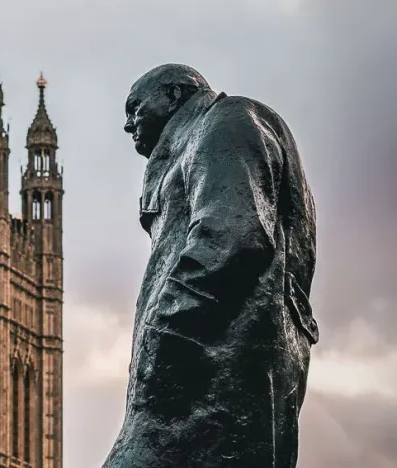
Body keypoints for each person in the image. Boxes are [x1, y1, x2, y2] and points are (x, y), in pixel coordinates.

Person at [101, 64, 319, 468]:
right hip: (209, 359)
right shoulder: (199, 139)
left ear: (174, 94)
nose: (128, 124)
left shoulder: (226, 122)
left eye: (135, 107)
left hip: (210, 362)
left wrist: (162, 329)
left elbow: (234, 236)